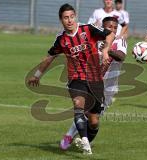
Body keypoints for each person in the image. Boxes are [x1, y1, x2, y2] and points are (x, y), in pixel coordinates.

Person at [28, 3, 115, 155]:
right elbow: (49, 58)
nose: (69, 20)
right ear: (61, 20)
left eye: (71, 17)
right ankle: (85, 142)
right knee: (78, 105)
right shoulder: (61, 40)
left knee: (94, 121)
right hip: (76, 78)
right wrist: (36, 76)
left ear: (75, 17)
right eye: (66, 18)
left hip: (95, 79)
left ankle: (84, 139)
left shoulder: (87, 29)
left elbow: (110, 34)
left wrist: (106, 51)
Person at [60, 16, 127, 151]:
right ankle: (71, 137)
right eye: (109, 27)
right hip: (90, 81)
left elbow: (121, 56)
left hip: (108, 88)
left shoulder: (120, 41)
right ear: (103, 28)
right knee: (83, 110)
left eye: (115, 27)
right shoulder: (94, 39)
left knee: (92, 118)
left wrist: (108, 50)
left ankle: (80, 139)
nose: (113, 30)